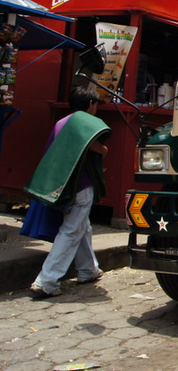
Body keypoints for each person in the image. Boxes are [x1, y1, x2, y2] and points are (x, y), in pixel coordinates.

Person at [30, 86, 109, 298]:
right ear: (91, 104)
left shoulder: (61, 122)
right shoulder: (84, 122)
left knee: (82, 227)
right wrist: (104, 149)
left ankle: (88, 269)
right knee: (72, 230)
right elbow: (98, 147)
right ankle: (47, 280)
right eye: (96, 105)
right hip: (81, 184)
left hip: (62, 184)